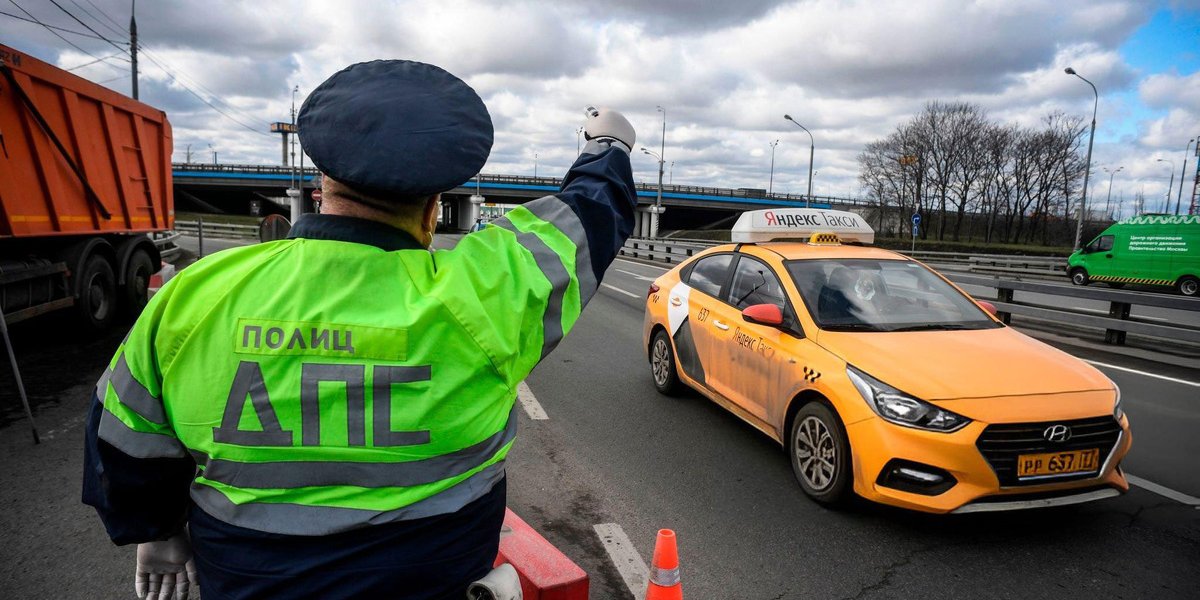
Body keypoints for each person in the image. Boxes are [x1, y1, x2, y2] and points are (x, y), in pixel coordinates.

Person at [82, 59, 638, 600]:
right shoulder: (491, 293)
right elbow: (590, 215)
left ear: (322, 180)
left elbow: (123, 434)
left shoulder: (198, 294)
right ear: (433, 208)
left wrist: (156, 532)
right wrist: (605, 146)